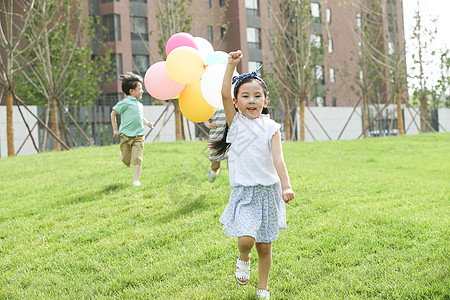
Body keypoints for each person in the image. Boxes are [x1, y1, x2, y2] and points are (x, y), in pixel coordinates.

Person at [211, 50, 294, 300]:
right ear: (236, 102)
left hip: (269, 193)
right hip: (245, 191)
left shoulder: (272, 127)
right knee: (246, 239)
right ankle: (243, 257)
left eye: (257, 96)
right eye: (245, 96)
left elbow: (278, 159)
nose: (251, 100)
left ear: (265, 101)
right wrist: (230, 65)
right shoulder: (235, 123)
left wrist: (286, 186)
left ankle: (263, 288)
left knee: (265, 246)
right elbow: (224, 92)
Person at [110, 72, 154, 186]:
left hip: (139, 135)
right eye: (140, 88)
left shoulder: (140, 105)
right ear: (131, 91)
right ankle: (123, 155)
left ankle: (136, 180)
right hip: (125, 135)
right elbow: (113, 114)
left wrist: (148, 123)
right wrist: (115, 129)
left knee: (137, 158)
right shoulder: (125, 103)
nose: (142, 91)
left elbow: (140, 116)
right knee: (126, 159)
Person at [203, 108, 227, 182]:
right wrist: (209, 125)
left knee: (232, 162)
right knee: (215, 165)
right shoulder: (211, 102)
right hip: (216, 136)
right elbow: (205, 118)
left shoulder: (231, 99)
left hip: (230, 135)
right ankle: (214, 171)